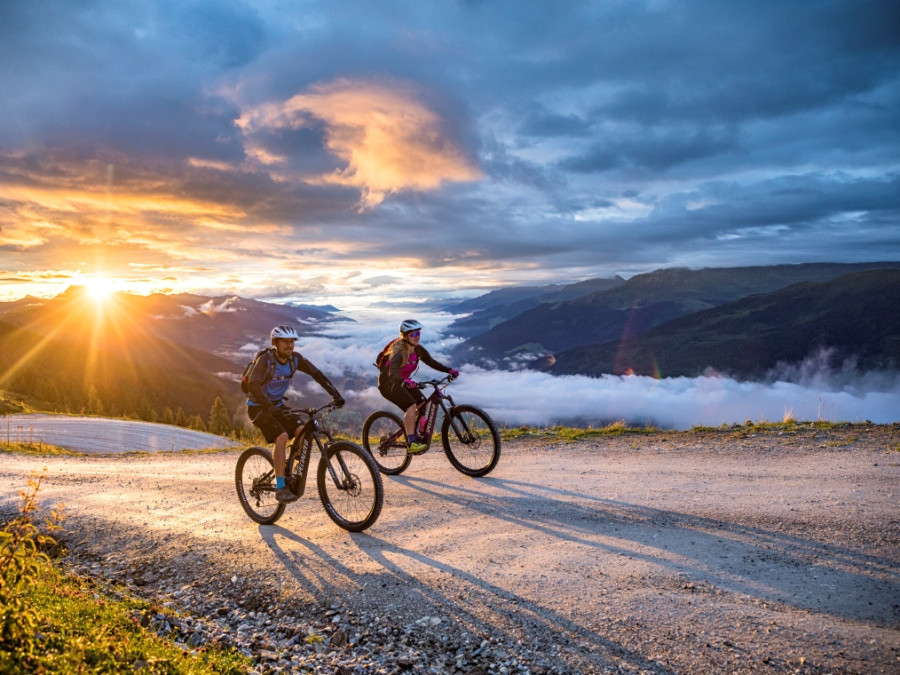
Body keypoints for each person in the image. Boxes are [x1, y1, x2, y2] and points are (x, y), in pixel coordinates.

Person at [247, 324, 345, 503]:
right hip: (258, 407)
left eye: (292, 341)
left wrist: (335, 395)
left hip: (276, 405)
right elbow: (253, 384)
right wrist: (269, 407)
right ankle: (280, 486)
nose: (290, 346)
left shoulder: (295, 359)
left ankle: (289, 469)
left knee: (302, 430)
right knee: (282, 436)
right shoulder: (266, 360)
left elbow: (317, 374)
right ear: (276, 343)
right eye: (285, 342)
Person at [378, 319, 459, 454]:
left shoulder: (418, 350)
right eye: (413, 334)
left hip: (403, 381)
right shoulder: (399, 352)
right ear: (405, 336)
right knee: (410, 405)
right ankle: (411, 443)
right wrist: (405, 382)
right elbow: (392, 374)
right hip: (389, 384)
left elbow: (431, 362)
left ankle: (416, 427)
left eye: (418, 333)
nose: (417, 337)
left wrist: (449, 370)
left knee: (422, 402)